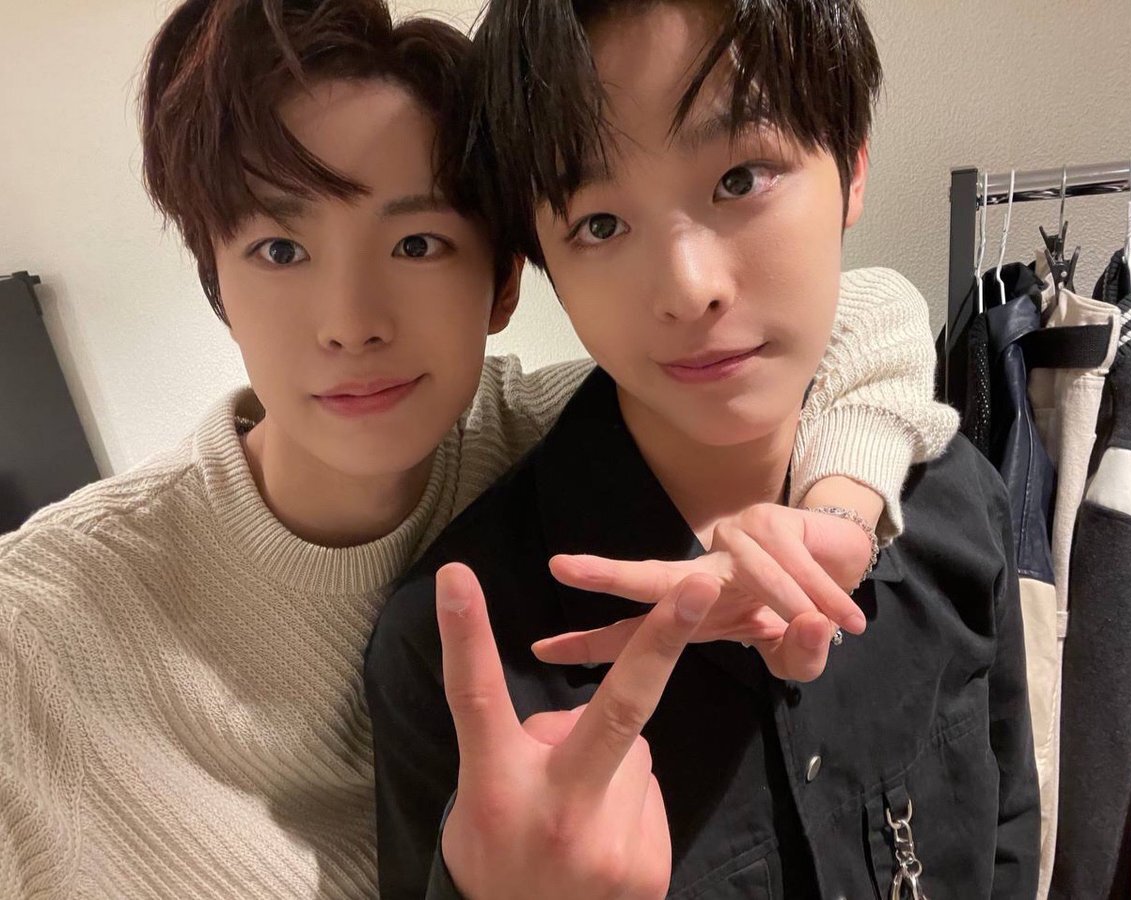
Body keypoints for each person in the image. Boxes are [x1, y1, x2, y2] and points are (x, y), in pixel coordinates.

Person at [0, 1, 958, 897]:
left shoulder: (535, 436)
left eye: (417, 243)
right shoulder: (37, 629)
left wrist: (841, 507)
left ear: (503, 282)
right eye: (280, 251)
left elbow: (862, 311)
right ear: (216, 284)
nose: (350, 324)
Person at [365, 0, 1040, 897]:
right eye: (600, 225)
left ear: (852, 167)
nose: (687, 289)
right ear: (545, 263)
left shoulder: (953, 498)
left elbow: (1009, 832)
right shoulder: (460, 651)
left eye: (740, 178)